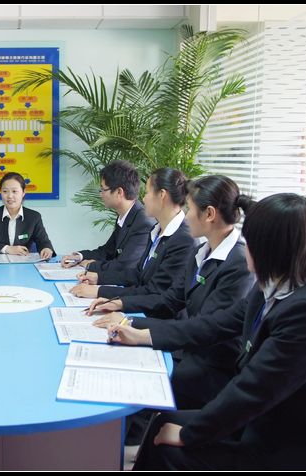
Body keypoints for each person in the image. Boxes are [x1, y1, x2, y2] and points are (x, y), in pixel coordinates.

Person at [111, 194, 306, 470]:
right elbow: (214, 324)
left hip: (296, 448)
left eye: (250, 242)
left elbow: (254, 390)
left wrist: (189, 434)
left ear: (271, 249)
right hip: (267, 420)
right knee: (163, 423)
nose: (245, 248)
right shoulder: (273, 287)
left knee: (168, 448)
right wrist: (142, 333)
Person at [90, 175, 255, 409]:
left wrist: (135, 327)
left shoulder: (238, 263)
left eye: (190, 209)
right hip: (186, 345)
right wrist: (120, 306)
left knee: (133, 380)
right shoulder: (202, 251)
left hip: (208, 364)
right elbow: (170, 300)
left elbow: (204, 329)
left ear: (209, 214)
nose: (186, 216)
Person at [71, 168, 195, 300]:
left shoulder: (183, 239)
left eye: (147, 193)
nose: (143, 199)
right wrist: (99, 277)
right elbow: (139, 274)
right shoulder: (157, 230)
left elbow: (154, 292)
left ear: (161, 195)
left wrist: (100, 292)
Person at [60, 160, 154, 272]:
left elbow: (125, 266)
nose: (101, 194)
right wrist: (79, 257)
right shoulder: (125, 216)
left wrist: (91, 266)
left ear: (119, 192)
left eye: (103, 189)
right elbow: (107, 252)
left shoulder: (143, 222)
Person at [0, 172, 55, 259]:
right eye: (5, 191)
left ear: (23, 192)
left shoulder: (34, 217)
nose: (10, 196)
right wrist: (7, 249)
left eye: (14, 191)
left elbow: (44, 242)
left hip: (23, 264)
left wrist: (46, 249)